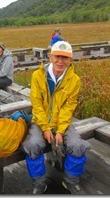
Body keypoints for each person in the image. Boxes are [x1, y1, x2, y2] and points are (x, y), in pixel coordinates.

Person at [21, 41, 91, 194]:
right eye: (57, 56)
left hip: (62, 122)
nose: (61, 61)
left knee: (77, 145)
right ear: (50, 57)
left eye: (65, 58)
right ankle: (39, 183)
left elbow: (69, 107)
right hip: (40, 121)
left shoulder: (74, 80)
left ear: (70, 60)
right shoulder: (37, 76)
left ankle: (70, 181)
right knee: (32, 145)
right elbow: (37, 104)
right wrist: (45, 128)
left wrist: (59, 131)